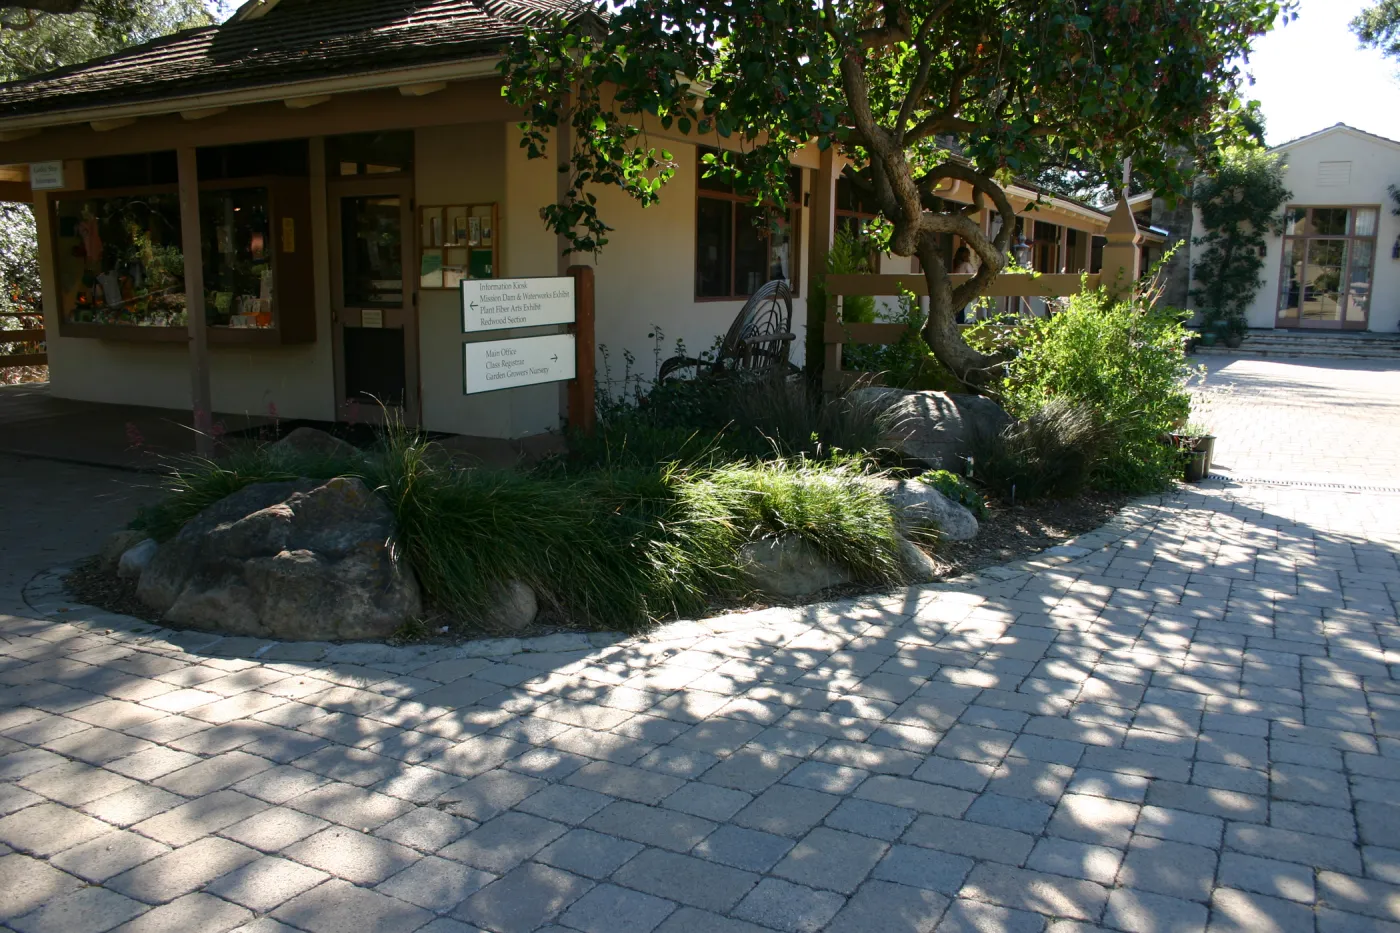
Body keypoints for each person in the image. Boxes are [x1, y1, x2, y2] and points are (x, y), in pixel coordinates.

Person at [952, 246, 977, 323]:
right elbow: (973, 276)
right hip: (962, 292)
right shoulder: (966, 265)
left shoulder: (957, 266)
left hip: (955, 292)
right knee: (960, 313)